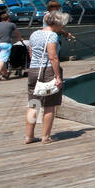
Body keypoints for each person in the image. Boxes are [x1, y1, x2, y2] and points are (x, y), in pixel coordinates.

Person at [24, 12, 64, 144]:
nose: (62, 26)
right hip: (47, 71)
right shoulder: (52, 35)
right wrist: (57, 76)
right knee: (49, 105)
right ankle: (46, 137)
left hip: (33, 70)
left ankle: (29, 136)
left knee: (33, 104)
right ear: (56, 23)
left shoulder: (34, 34)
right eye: (61, 23)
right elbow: (52, 56)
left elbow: (31, 51)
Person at [0, 12, 23, 81]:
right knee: (2, 61)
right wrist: (20, 38)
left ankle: (5, 74)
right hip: (5, 44)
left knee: (0, 61)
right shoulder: (12, 24)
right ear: (8, 19)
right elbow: (17, 33)